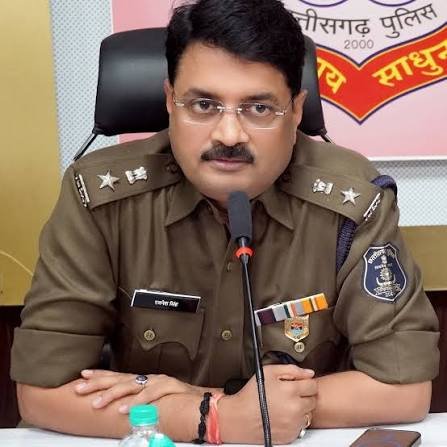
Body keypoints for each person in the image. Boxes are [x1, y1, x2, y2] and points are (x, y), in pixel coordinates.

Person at [11, 0, 439, 444]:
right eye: (203, 104)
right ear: (169, 101)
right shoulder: (99, 196)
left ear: (296, 110)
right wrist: (212, 418)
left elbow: (403, 389)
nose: (229, 135)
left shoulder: (353, 199)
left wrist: (209, 403)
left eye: (259, 109)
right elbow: (41, 393)